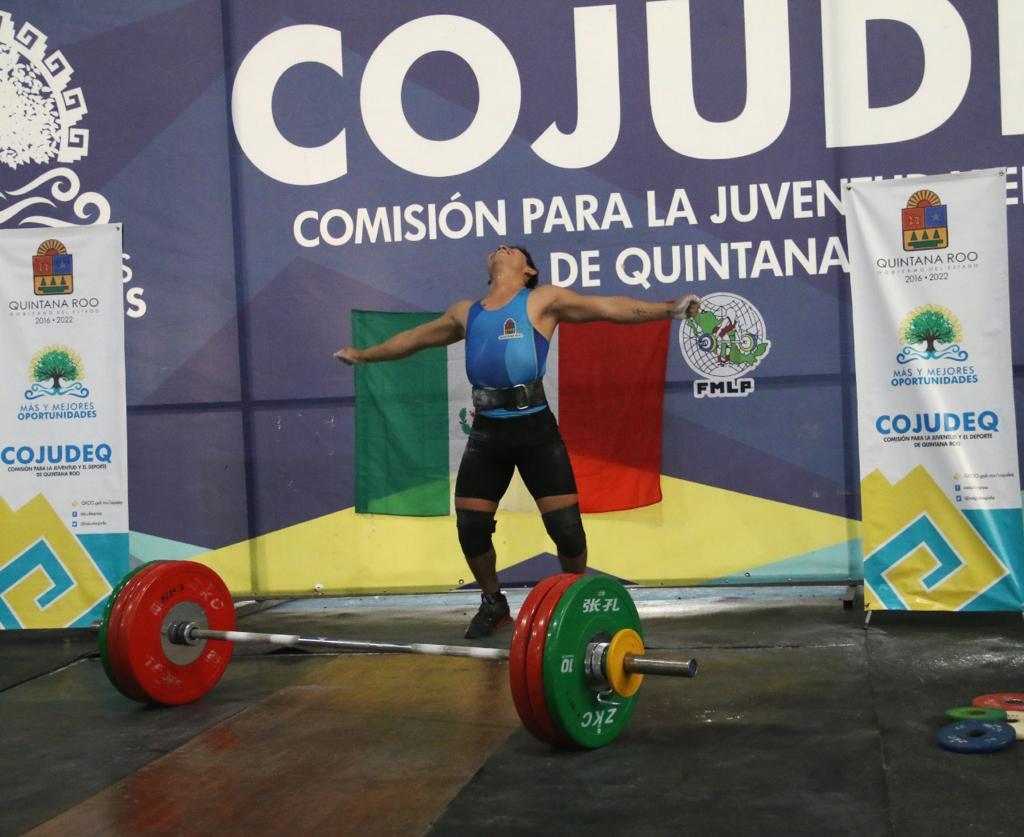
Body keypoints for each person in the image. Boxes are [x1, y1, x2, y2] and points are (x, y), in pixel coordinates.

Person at [335, 245, 699, 638]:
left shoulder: (543, 300)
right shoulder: (465, 312)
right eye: (499, 247)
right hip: (488, 433)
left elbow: (608, 307)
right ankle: (493, 604)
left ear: (529, 270)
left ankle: (578, 600)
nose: (503, 248)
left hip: (535, 431)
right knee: (471, 529)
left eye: (514, 250)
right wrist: (364, 355)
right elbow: (414, 339)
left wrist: (669, 309)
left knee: (566, 530)